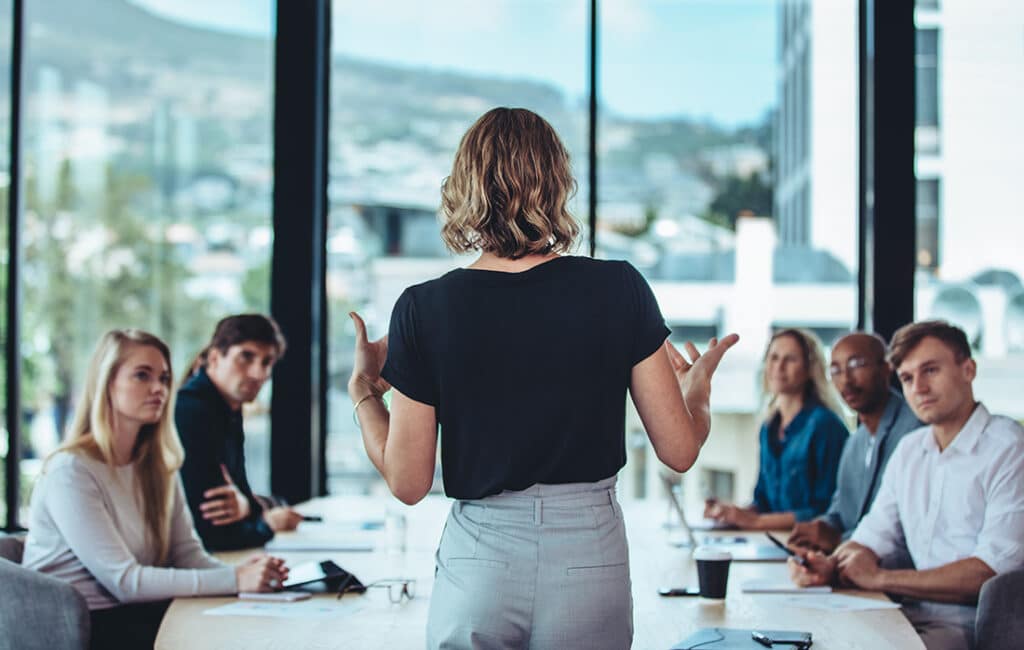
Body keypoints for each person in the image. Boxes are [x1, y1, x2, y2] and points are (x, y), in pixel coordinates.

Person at [347, 107, 738, 649]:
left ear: (465, 186)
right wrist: (697, 392)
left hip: (479, 559)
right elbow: (679, 450)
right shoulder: (618, 288)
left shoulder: (423, 308)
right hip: (589, 552)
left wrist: (365, 392)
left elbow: (408, 482)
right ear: (556, 183)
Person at [22, 330, 287, 650]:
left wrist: (249, 575)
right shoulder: (71, 471)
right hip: (84, 630)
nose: (158, 388)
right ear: (107, 383)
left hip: (138, 614)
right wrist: (234, 580)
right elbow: (125, 582)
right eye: (142, 376)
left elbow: (188, 555)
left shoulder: (158, 466)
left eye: (163, 378)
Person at [790, 321, 1024, 650]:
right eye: (908, 378)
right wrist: (831, 565)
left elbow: (990, 573)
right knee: (805, 636)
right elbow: (871, 536)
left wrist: (881, 578)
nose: (919, 388)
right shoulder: (911, 449)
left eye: (931, 371)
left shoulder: (1009, 448)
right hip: (902, 614)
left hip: (970, 629)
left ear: (968, 369)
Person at [177, 314, 304, 552]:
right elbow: (213, 531)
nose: (259, 373)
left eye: (267, 362)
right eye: (246, 357)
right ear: (215, 357)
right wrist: (267, 523)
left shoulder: (227, 409)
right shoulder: (192, 411)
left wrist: (249, 506)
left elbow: (242, 496)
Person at [787, 332, 922, 553]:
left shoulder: (915, 431)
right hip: (849, 564)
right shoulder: (854, 442)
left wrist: (838, 540)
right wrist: (820, 528)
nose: (846, 380)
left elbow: (904, 528)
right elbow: (839, 512)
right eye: (836, 370)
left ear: (887, 367)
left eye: (856, 364)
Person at [704, 328, 849, 530]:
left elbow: (827, 510)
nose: (779, 367)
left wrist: (756, 522)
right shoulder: (768, 427)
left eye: (790, 359)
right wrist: (732, 513)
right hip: (771, 541)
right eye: (773, 358)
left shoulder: (826, 425)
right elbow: (762, 501)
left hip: (809, 547)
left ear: (809, 369)